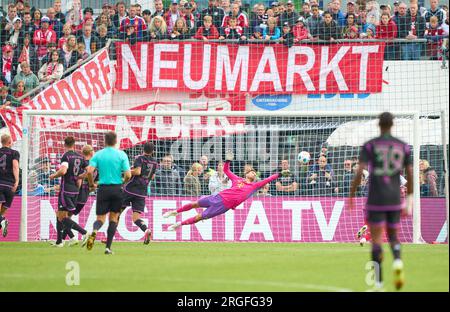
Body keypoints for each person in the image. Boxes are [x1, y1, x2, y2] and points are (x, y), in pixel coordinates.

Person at [349, 112, 413, 291]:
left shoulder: (369, 146)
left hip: (375, 199)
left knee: (376, 240)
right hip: (394, 199)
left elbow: (359, 171)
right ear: (393, 124)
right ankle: (398, 262)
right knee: (393, 237)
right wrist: (409, 199)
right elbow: (409, 174)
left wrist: (352, 195)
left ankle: (378, 283)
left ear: (379, 125)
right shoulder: (403, 147)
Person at [164, 151, 282, 231]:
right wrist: (228, 160)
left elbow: (268, 179)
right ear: (247, 174)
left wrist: (280, 174)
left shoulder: (254, 186)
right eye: (252, 172)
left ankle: (178, 224)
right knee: (195, 203)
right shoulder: (237, 179)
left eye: (255, 173)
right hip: (217, 197)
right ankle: (175, 212)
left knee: (200, 217)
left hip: (223, 206)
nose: (254, 173)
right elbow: (226, 170)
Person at [85, 132, 131, 255]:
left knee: (100, 219)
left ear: (105, 141)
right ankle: (108, 248)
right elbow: (128, 175)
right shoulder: (121, 154)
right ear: (116, 141)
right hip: (116, 189)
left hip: (103, 189)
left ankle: (94, 231)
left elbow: (89, 171)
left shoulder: (98, 155)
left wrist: (91, 184)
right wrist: (123, 182)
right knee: (114, 218)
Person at [49, 136, 88, 247]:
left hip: (66, 190)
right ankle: (60, 241)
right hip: (75, 191)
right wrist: (78, 177)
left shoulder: (66, 156)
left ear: (64, 145)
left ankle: (84, 233)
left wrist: (53, 175)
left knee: (62, 217)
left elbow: (63, 171)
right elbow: (89, 170)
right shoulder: (80, 157)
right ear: (74, 144)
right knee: (60, 215)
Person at [121, 142, 158, 245]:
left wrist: (127, 170)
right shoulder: (155, 162)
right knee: (136, 218)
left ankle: (108, 237)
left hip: (131, 189)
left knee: (116, 213)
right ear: (153, 151)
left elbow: (137, 171)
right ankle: (146, 230)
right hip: (142, 192)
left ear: (143, 149)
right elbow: (153, 176)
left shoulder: (139, 158)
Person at [0, 134, 19, 237]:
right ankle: (2, 220)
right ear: (9, 142)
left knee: (1, 216)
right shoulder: (15, 153)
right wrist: (16, 181)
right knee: (2, 212)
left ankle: (2, 221)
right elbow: (15, 166)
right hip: (10, 185)